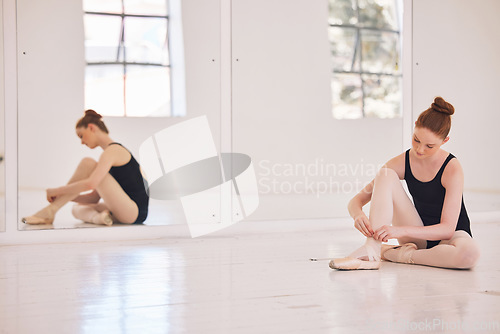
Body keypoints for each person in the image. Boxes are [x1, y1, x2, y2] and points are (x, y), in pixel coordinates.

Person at [330, 97, 480, 270]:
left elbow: (447, 229)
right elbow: (355, 201)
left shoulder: (452, 168)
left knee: (470, 254)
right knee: (385, 174)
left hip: (451, 236)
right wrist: (357, 215)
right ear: (415, 125)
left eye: (429, 146)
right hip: (417, 237)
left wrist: (400, 231)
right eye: (416, 139)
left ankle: (395, 254)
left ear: (444, 141)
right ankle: (372, 250)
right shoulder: (402, 162)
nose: (420, 150)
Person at [22, 109, 149, 226]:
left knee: (87, 163)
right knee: (77, 208)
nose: (82, 142)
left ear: (91, 128)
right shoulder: (108, 155)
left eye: (81, 135)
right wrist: (64, 196)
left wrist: (58, 191)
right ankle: (100, 218)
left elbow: (91, 184)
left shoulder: (113, 150)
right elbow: (93, 198)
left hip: (133, 211)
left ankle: (49, 212)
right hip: (125, 212)